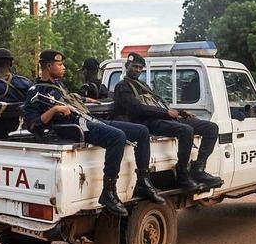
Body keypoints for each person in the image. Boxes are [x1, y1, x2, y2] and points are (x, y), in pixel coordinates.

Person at [23, 50, 165, 217]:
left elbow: (69, 99)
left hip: (86, 120)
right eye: (59, 64)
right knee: (117, 136)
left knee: (141, 131)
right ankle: (109, 192)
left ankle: (142, 180)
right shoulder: (36, 91)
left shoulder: (59, 85)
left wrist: (84, 99)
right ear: (48, 66)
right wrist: (55, 109)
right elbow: (32, 123)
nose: (63, 67)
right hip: (70, 127)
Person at [112, 52, 223, 192]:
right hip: (145, 121)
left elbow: (159, 104)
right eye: (135, 67)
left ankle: (198, 169)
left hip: (161, 117)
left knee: (211, 128)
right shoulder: (122, 87)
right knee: (186, 130)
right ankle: (182, 174)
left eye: (140, 68)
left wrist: (181, 113)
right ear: (127, 66)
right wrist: (166, 113)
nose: (138, 70)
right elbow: (136, 108)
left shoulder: (143, 85)